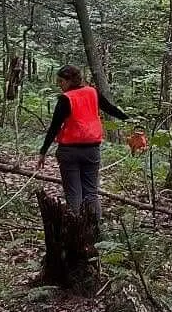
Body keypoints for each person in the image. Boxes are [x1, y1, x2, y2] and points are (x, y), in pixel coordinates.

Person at [39, 66, 126, 224]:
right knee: (91, 193)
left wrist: (43, 151)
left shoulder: (66, 99)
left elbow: (54, 127)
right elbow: (110, 109)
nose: (59, 85)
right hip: (91, 150)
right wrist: (127, 119)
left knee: (74, 194)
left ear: (70, 80)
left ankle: (76, 231)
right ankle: (94, 231)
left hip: (69, 152)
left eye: (61, 81)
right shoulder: (92, 92)